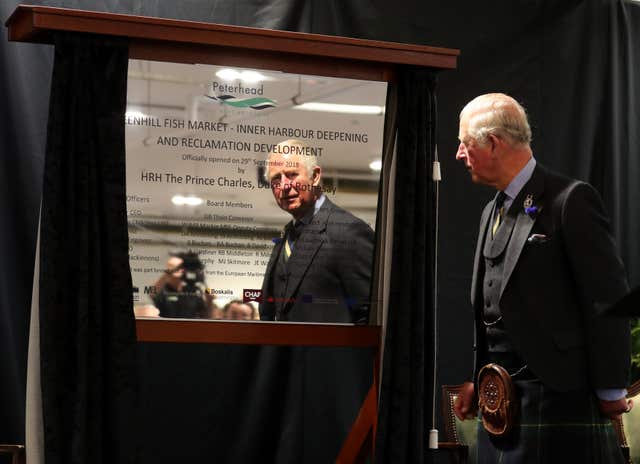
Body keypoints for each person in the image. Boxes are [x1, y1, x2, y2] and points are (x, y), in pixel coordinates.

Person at [452, 93, 633, 463]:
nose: (458, 154)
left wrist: (611, 387)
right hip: (500, 399)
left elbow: (607, 297)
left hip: (559, 395)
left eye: (465, 143)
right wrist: (477, 377)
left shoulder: (570, 200)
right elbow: (491, 308)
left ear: (492, 143)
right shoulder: (492, 210)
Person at [259, 139, 374, 323]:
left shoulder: (350, 231)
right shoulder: (287, 236)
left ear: (315, 176)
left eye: (292, 174)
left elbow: (368, 315)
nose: (285, 185)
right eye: (276, 179)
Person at [151, 251, 219, 319]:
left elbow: (206, 316)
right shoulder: (165, 290)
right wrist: (169, 271)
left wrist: (210, 301)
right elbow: (151, 292)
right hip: (167, 327)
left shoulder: (194, 290)